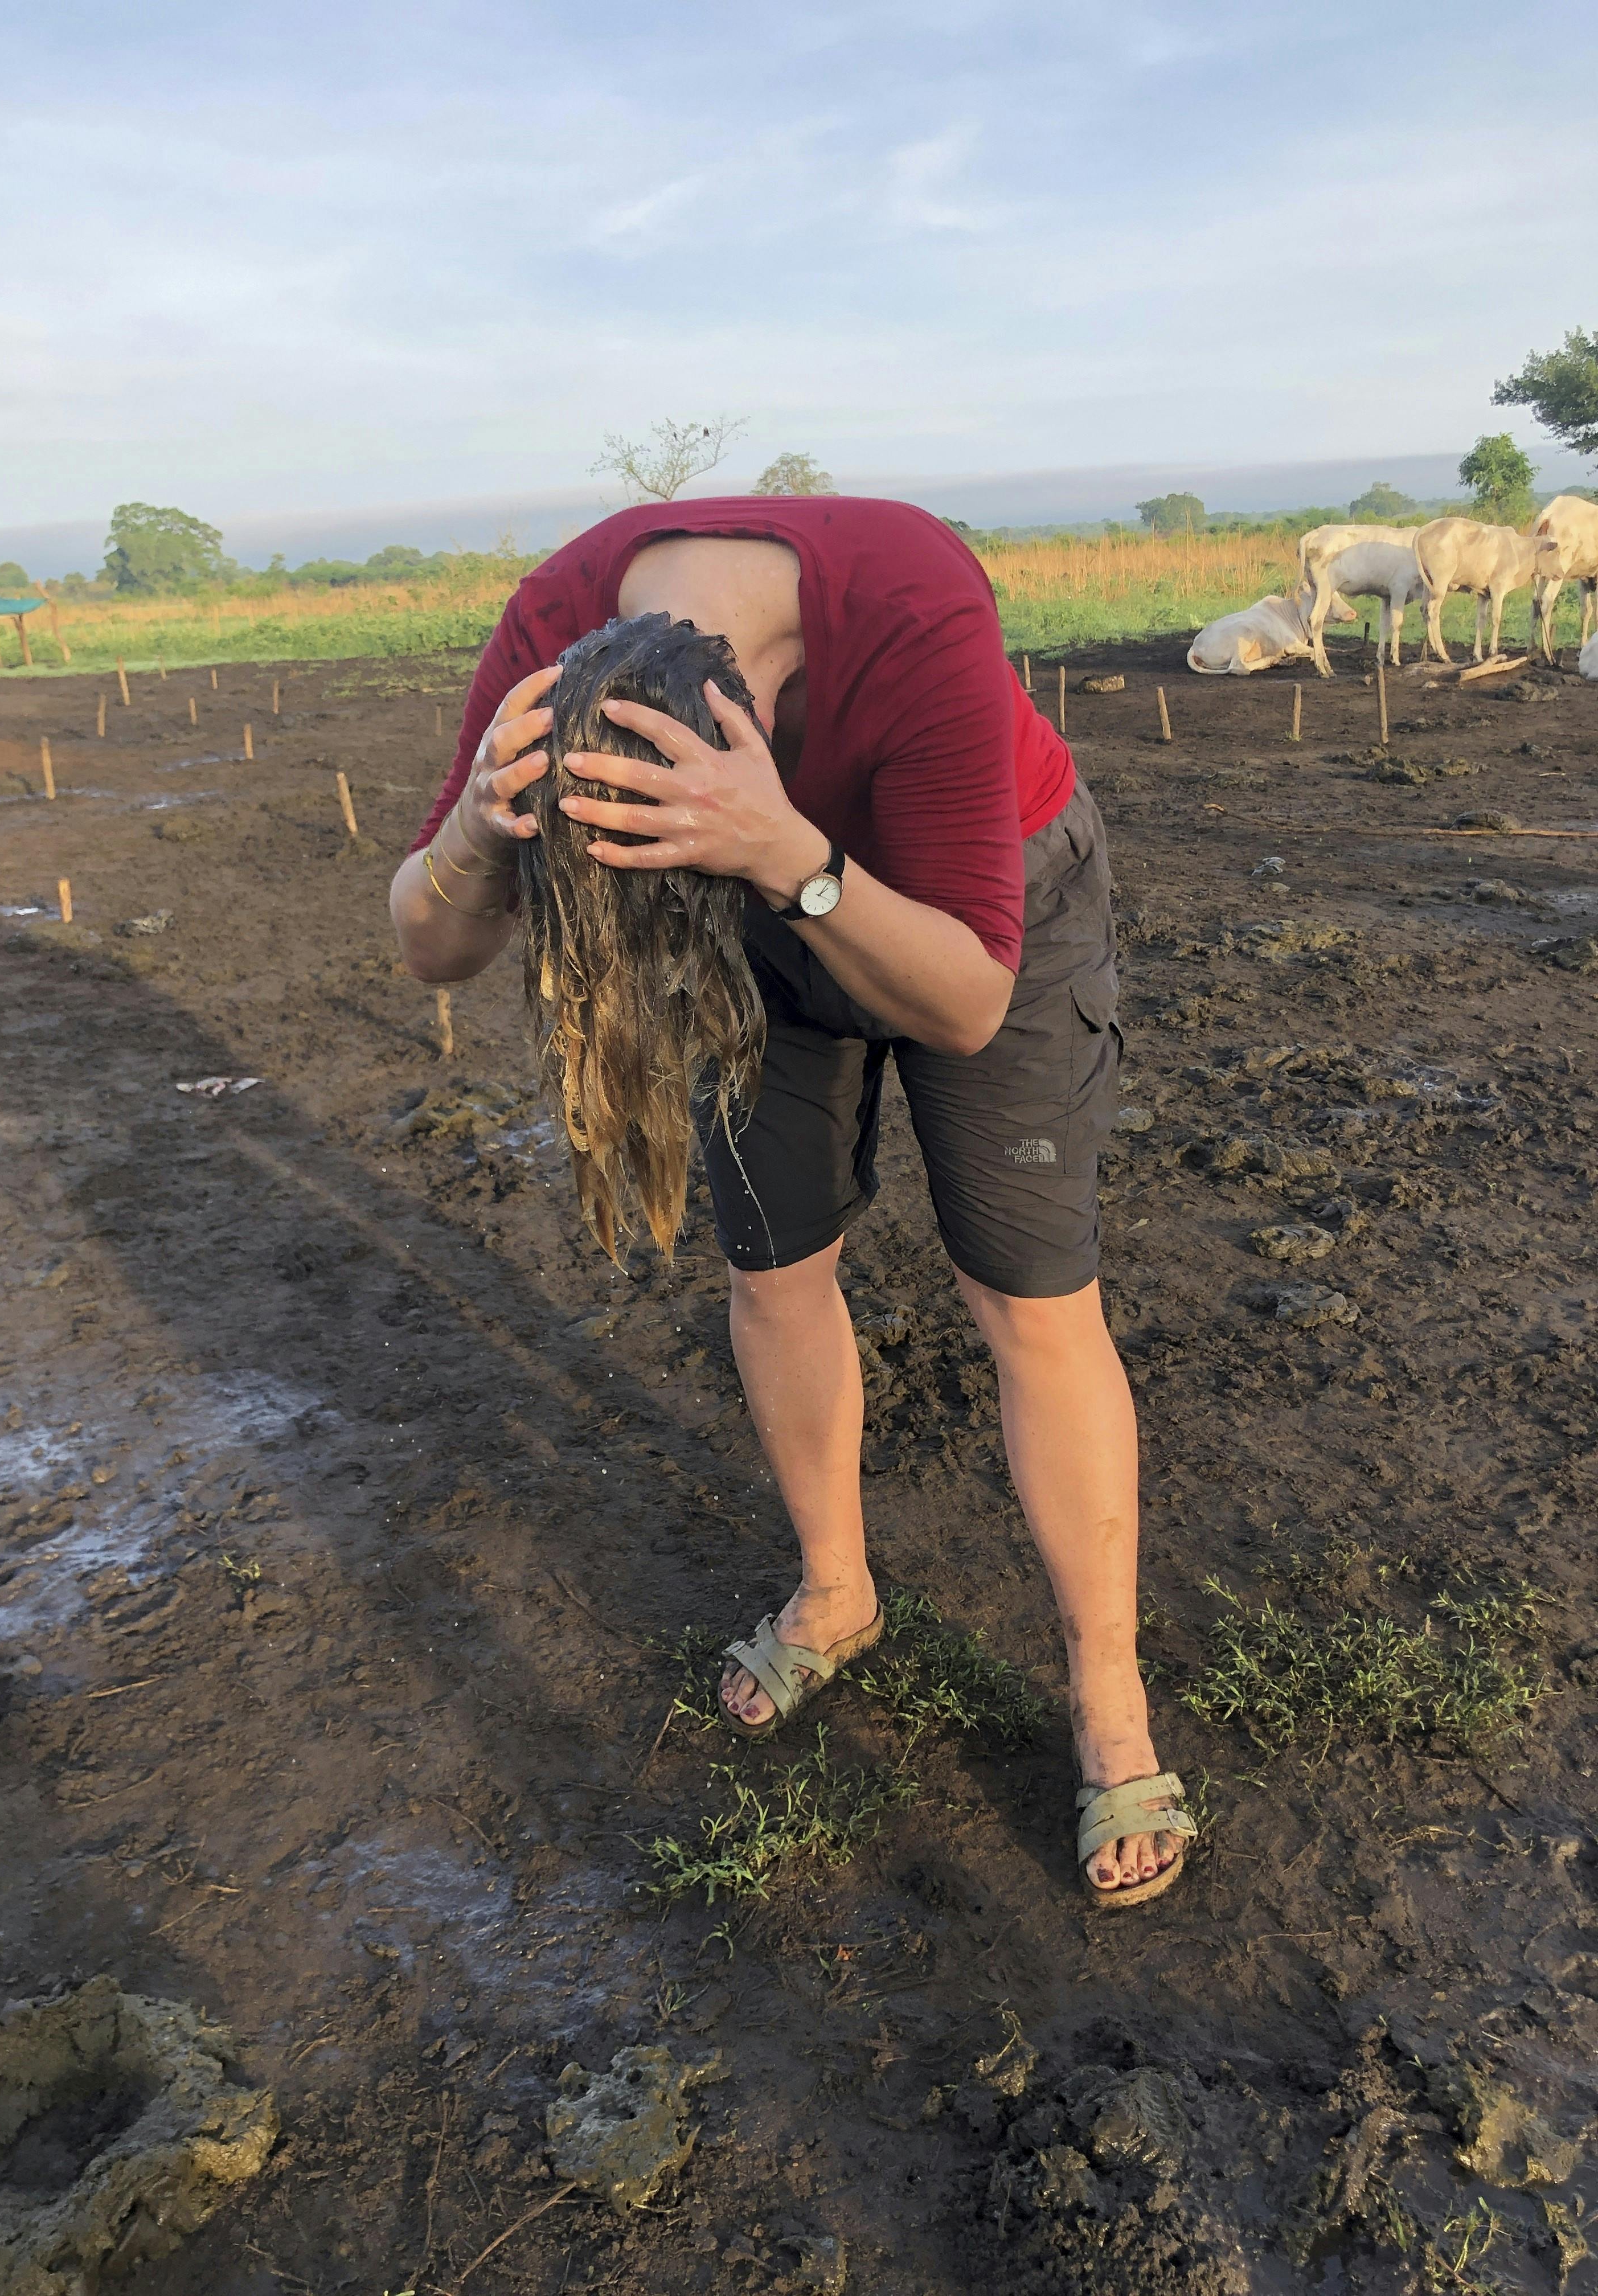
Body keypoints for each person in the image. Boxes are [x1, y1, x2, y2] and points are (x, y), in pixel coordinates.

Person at [391, 496, 1197, 1905]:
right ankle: (837, 1590)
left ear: (761, 713)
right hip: (740, 900)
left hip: (983, 903)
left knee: (1028, 1293)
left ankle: (1110, 1690)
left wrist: (792, 855)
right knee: (771, 1265)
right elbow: (428, 947)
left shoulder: (914, 602)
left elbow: (967, 1000)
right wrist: (473, 827)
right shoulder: (552, 630)